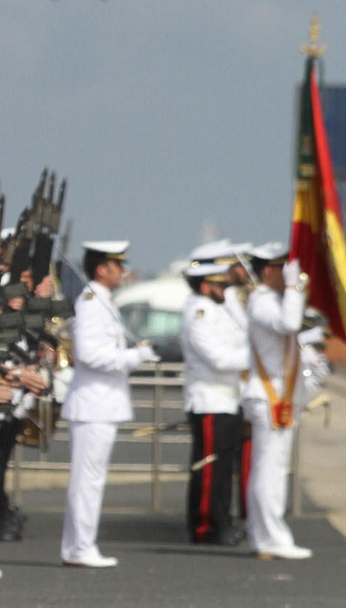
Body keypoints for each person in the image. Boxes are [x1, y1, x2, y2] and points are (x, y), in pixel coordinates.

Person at [59, 240, 158, 568]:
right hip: (92, 404)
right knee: (87, 480)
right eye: (118, 265)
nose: (123, 271)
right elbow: (88, 355)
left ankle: (81, 545)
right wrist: (134, 356)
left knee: (92, 479)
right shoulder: (91, 302)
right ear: (102, 269)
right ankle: (79, 547)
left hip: (101, 403)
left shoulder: (102, 301)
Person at [242, 243, 312, 561]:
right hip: (270, 396)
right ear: (268, 271)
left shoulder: (273, 300)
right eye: (283, 268)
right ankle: (272, 537)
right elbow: (289, 324)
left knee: (268, 468)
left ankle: (263, 536)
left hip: (277, 395)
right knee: (270, 470)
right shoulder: (262, 301)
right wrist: (296, 286)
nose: (288, 274)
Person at [179, 261, 248, 546]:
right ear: (206, 286)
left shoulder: (215, 310)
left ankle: (221, 520)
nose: (226, 290)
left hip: (227, 399)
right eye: (221, 285)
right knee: (209, 470)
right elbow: (218, 359)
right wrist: (258, 358)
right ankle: (206, 526)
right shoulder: (199, 313)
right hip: (209, 401)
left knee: (222, 470)